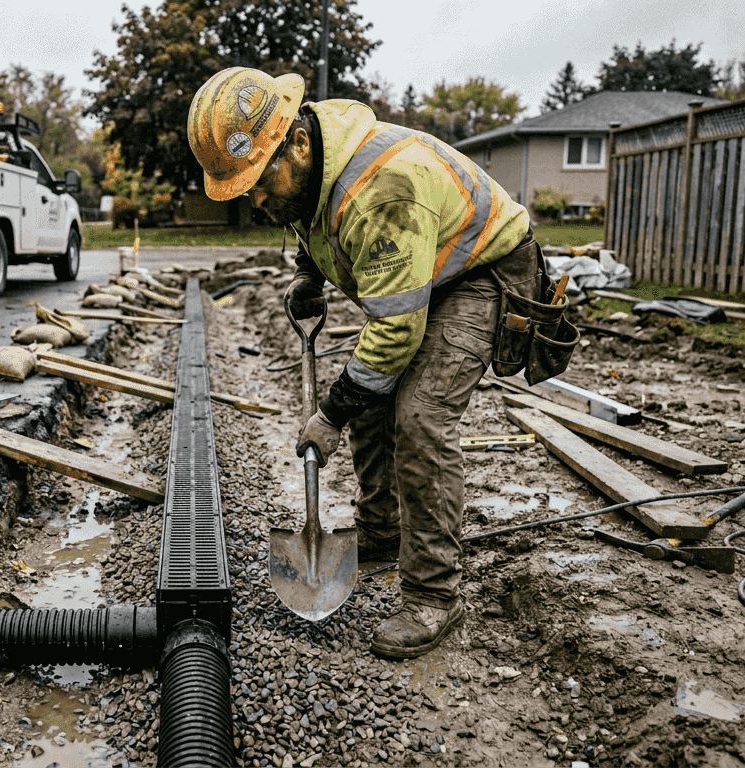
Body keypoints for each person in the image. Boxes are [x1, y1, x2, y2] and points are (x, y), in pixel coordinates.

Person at [187, 67, 549, 659]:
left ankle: (434, 593)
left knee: (419, 418)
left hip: (482, 273)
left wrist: (329, 415)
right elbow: (311, 221)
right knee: (372, 396)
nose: (254, 198)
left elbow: (396, 330)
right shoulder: (310, 165)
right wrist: (308, 273)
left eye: (258, 179)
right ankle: (383, 533)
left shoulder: (382, 187)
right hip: (422, 267)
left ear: (295, 143)